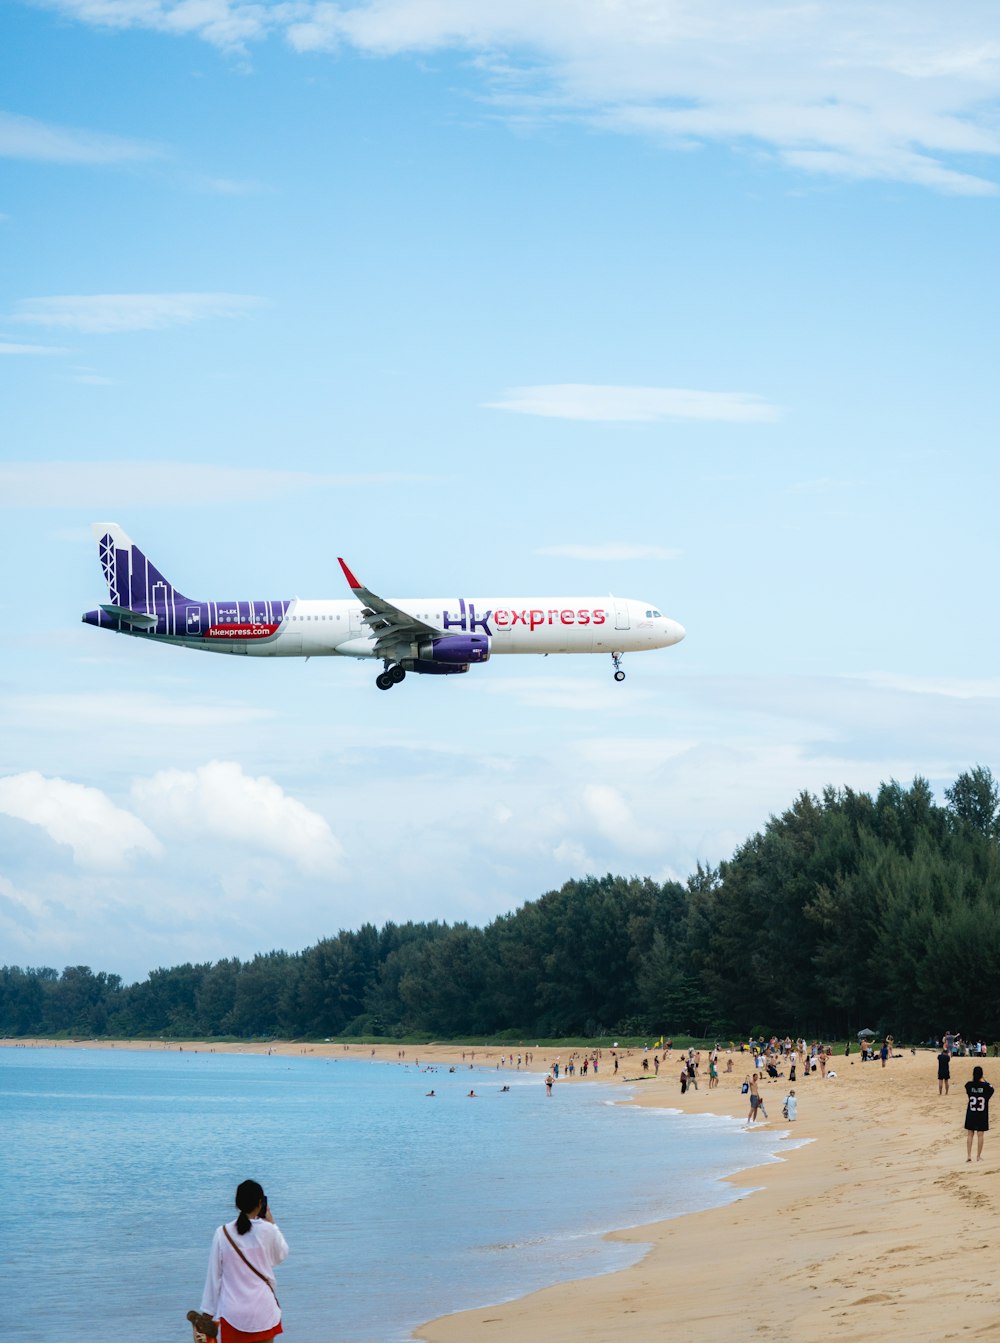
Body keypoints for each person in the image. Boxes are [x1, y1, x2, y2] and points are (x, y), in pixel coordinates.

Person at [201, 1180, 288, 1343]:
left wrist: (208, 1312)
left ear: (237, 1204)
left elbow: (214, 1277)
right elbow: (280, 1256)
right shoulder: (268, 1230)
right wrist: (272, 1224)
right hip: (264, 1312)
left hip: (233, 1314)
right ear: (260, 1203)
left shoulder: (222, 1233)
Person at [964, 1065, 994, 1162]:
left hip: (971, 1112)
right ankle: (978, 1156)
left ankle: (969, 1156)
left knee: (970, 1134)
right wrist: (983, 1080)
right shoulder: (986, 1086)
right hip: (981, 1113)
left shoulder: (969, 1085)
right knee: (980, 1135)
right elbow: (991, 1089)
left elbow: (968, 1088)